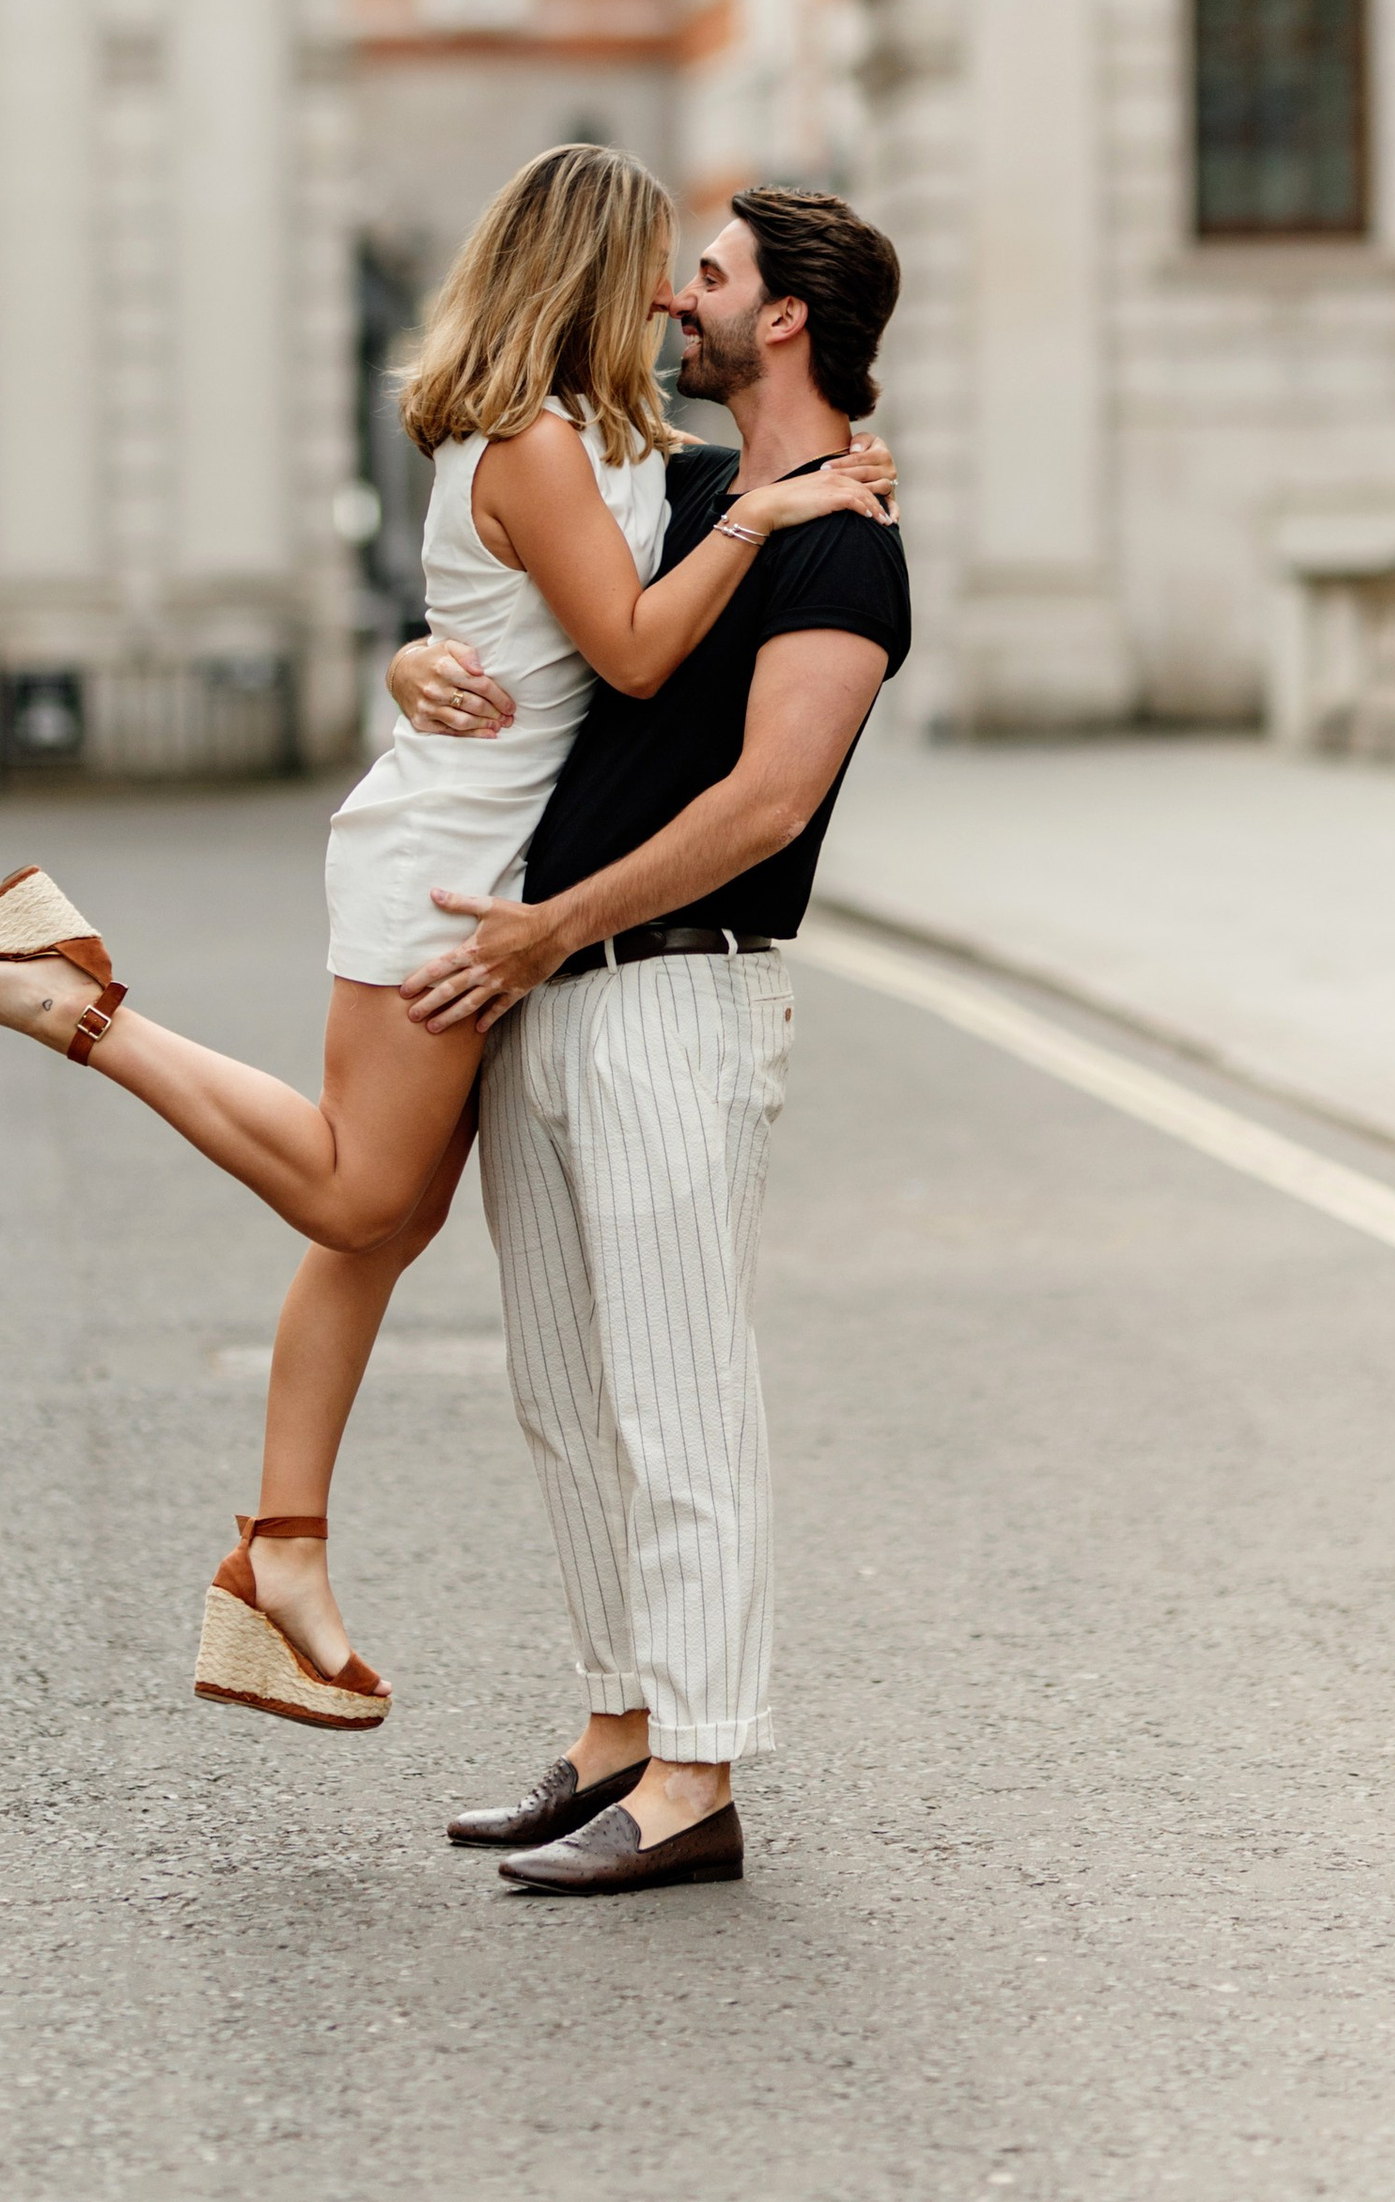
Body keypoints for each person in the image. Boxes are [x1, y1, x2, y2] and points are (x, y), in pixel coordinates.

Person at [0, 145, 894, 1730]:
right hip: (452, 871)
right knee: (362, 1191)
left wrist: (420, 651)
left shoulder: (634, 452)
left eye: (701, 273)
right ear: (591, 269)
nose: (669, 295)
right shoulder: (561, 448)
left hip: (490, 861)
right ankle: (69, 997)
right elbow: (630, 652)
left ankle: (282, 1557)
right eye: (661, 263)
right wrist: (760, 515)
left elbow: (527, 621)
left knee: (389, 1219)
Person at [390, 184, 909, 1896]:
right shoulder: (693, 496)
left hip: (677, 991)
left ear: (786, 317)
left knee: (682, 1396)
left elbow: (769, 802)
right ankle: (620, 1720)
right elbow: (519, 615)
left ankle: (699, 1769)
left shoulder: (845, 544)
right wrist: (411, 668)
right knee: (564, 1390)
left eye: (712, 274)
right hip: (542, 989)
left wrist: (557, 922)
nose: (678, 299)